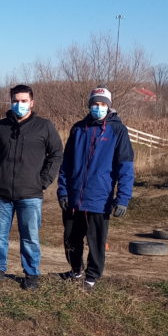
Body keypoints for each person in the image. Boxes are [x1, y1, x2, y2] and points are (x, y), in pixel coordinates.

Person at [0, 83, 63, 290]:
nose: (20, 104)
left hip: (30, 193)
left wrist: (44, 180)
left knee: (30, 237)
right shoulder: (1, 126)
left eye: (24, 101)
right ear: (11, 102)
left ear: (32, 102)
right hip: (1, 192)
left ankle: (31, 273)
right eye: (16, 101)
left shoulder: (44, 126)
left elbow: (56, 154)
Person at [56, 87, 135, 289]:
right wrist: (63, 191)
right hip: (74, 197)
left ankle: (91, 277)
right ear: (89, 105)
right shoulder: (78, 129)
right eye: (94, 104)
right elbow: (66, 164)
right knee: (71, 239)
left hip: (100, 198)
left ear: (108, 106)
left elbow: (125, 166)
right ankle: (75, 271)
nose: (98, 108)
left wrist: (123, 198)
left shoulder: (117, 130)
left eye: (102, 104)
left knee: (96, 241)